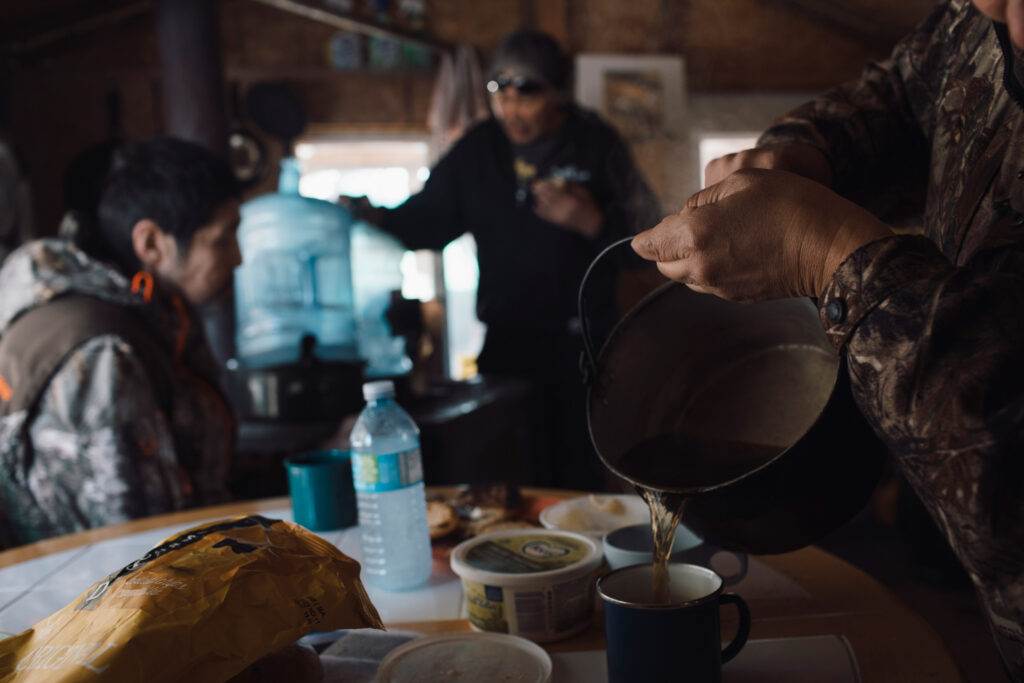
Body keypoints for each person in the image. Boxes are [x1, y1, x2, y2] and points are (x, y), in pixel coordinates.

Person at [631, 0, 1024, 677]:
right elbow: (907, 91)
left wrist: (823, 249)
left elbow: (1006, 455)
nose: (988, 7)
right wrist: (807, 152)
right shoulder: (979, 17)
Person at [349, 29, 662, 491]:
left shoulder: (595, 144)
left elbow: (649, 242)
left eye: (528, 91)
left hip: (583, 347)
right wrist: (369, 215)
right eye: (500, 90)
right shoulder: (480, 150)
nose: (512, 106)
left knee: (578, 478)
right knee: (504, 475)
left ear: (557, 91)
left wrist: (590, 220)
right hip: (507, 344)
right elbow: (427, 222)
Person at [0, 136, 241, 549]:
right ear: (150, 243)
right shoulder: (101, 356)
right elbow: (136, 552)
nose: (237, 257)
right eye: (221, 239)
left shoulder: (151, 314)